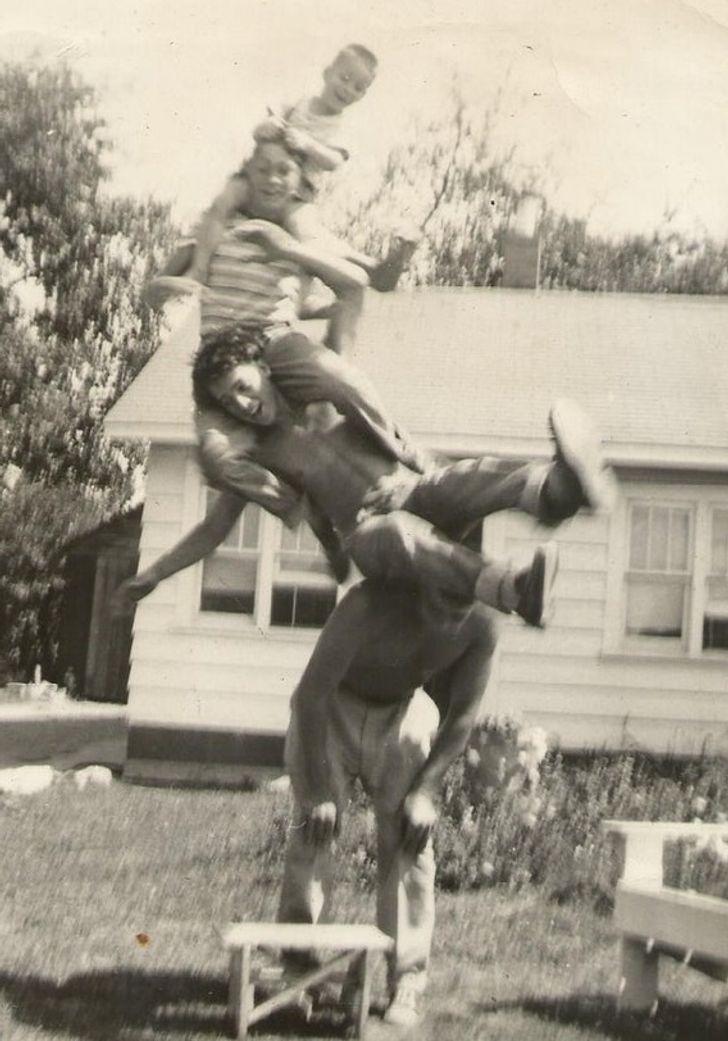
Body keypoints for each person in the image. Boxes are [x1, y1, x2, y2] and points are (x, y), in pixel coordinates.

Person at [115, 327, 614, 627]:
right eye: (229, 402)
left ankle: (560, 490)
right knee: (396, 532)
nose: (244, 404)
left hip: (410, 488)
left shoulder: (322, 395)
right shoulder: (260, 453)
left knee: (466, 476)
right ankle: (511, 588)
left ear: (265, 370)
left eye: (244, 387)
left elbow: (348, 349)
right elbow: (213, 527)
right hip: (366, 534)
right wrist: (156, 573)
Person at [167, 132, 428, 551]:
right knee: (216, 462)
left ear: (298, 181)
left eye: (283, 171)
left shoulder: (303, 232)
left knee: (340, 379)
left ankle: (400, 449)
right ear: (246, 174)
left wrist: (291, 250)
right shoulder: (214, 227)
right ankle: (302, 511)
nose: (272, 180)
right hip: (219, 364)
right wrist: (170, 285)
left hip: (273, 341)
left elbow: (367, 280)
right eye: (263, 169)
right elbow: (162, 281)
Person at [278, 579, 498, 1028]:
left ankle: (407, 979)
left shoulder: (484, 626)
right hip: (331, 705)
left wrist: (426, 792)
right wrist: (318, 789)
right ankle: (299, 971)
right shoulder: (369, 599)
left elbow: (463, 716)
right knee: (313, 829)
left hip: (403, 710)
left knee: (412, 839)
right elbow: (311, 692)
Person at [149, 44, 418, 309]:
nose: (347, 89)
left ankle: (372, 269)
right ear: (327, 73)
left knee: (310, 236)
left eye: (358, 87)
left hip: (297, 192)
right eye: (344, 78)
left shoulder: (340, 127)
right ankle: (198, 269)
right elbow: (261, 128)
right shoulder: (298, 102)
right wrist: (267, 127)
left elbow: (333, 161)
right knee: (220, 206)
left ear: (362, 96)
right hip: (256, 178)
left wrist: (307, 144)